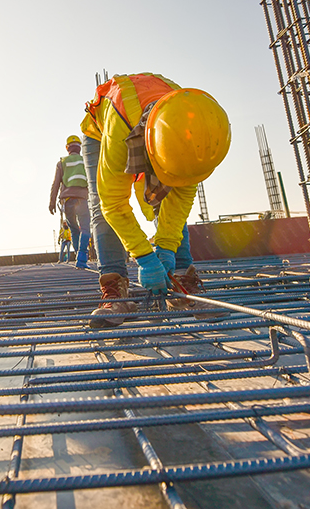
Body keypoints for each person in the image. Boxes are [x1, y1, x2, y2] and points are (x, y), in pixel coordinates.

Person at [80, 73, 231, 328]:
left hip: (156, 124)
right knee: (99, 204)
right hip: (104, 131)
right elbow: (113, 203)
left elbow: (180, 199)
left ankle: (181, 280)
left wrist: (166, 249)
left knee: (170, 192)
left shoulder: (195, 128)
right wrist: (145, 257)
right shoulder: (120, 131)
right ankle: (116, 290)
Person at [49, 135, 91, 269]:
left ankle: (79, 257)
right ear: (80, 148)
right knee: (85, 228)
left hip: (67, 201)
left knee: (74, 229)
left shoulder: (62, 162)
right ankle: (82, 259)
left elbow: (55, 184)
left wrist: (51, 202)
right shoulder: (85, 161)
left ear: (67, 148)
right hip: (82, 199)